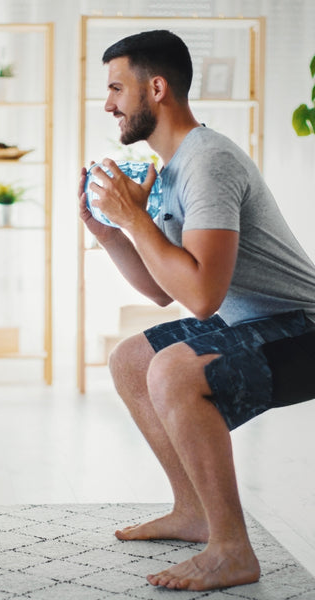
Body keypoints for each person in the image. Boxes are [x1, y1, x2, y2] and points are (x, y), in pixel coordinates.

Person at [78, 30, 315, 591]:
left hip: (304, 329)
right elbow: (166, 289)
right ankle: (193, 513)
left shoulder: (207, 163)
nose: (109, 105)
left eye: (116, 89)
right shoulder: (174, 168)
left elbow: (204, 295)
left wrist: (134, 219)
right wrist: (111, 233)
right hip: (253, 324)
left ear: (155, 88)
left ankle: (232, 549)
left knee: (175, 369)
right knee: (132, 359)